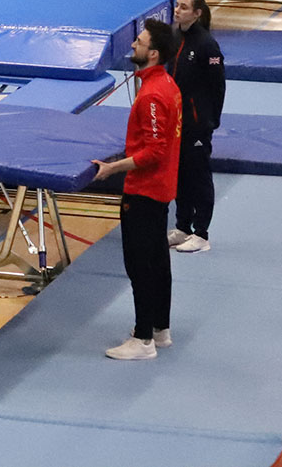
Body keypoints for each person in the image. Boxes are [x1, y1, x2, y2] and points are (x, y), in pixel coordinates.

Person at [92, 19, 181, 360]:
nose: (133, 46)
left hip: (145, 189)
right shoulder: (165, 84)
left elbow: (155, 151)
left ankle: (143, 339)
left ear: (153, 53)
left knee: (140, 265)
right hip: (159, 188)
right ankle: (160, 328)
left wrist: (113, 168)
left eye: (139, 42)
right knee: (157, 259)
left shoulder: (154, 94)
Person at [167, 0, 225, 253]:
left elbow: (218, 86)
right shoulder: (174, 35)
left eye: (184, 7)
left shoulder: (207, 45)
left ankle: (201, 233)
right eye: (176, 6)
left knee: (198, 176)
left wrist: (212, 119)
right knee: (179, 173)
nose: (178, 10)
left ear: (197, 13)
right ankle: (182, 227)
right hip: (176, 120)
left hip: (198, 121)